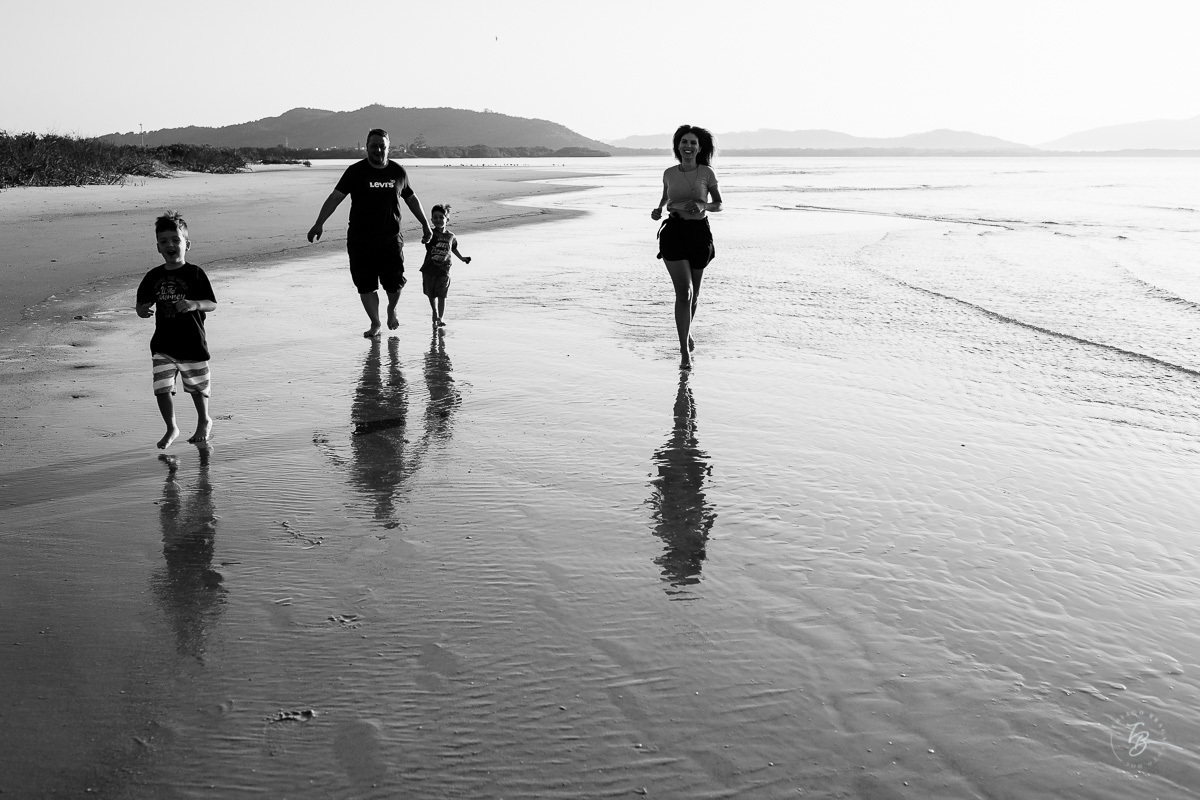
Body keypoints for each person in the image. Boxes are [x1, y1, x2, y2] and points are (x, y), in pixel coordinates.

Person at [307, 128, 432, 339]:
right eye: (374, 146)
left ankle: (392, 308)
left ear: (388, 148)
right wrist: (319, 223)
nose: (378, 150)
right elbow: (335, 197)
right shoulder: (355, 172)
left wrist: (426, 225)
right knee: (365, 285)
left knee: (394, 284)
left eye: (382, 146)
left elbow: (411, 199)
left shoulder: (398, 172)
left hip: (391, 240)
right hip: (360, 240)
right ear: (367, 147)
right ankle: (375, 323)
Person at [136, 211, 217, 448]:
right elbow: (141, 302)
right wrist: (141, 310)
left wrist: (194, 304)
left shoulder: (195, 273)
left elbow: (211, 303)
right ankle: (171, 427)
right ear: (158, 247)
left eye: (176, 240)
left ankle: (204, 420)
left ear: (187, 244)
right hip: (163, 344)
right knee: (162, 388)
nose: (170, 245)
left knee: (197, 387)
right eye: (164, 241)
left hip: (192, 343)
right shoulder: (154, 276)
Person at [650, 125, 723, 369]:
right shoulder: (669, 173)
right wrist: (658, 210)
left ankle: (687, 332)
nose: (688, 146)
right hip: (674, 232)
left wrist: (703, 206)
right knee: (684, 293)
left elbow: (719, 204)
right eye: (684, 142)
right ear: (678, 146)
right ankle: (684, 351)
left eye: (693, 142)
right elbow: (666, 197)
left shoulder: (707, 173)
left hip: (699, 234)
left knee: (694, 296)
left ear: (699, 148)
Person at [419, 204, 472, 326]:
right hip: (430, 269)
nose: (438, 220)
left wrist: (462, 258)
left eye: (441, 217)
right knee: (431, 294)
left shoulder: (451, 236)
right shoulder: (431, 233)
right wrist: (425, 239)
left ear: (447, 219)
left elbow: (453, 248)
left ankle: (441, 318)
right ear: (431, 220)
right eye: (435, 217)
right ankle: (434, 311)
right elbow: (425, 240)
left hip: (444, 270)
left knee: (442, 294)